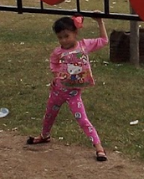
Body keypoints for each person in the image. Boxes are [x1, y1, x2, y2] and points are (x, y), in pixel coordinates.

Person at [27, 15, 109, 162]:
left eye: (66, 36)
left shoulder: (84, 45)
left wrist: (99, 21)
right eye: (60, 37)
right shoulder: (58, 52)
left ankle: (99, 147)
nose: (64, 40)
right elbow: (54, 62)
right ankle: (44, 136)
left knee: (82, 120)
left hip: (73, 94)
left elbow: (103, 40)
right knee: (49, 115)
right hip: (57, 91)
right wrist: (56, 75)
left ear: (75, 33)